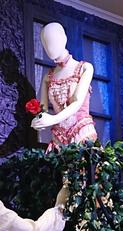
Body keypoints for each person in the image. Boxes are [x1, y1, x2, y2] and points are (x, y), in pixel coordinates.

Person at [31, 22, 97, 152]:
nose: (49, 46)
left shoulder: (85, 68)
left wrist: (53, 119)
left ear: (64, 38)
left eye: (52, 40)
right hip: (59, 138)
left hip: (82, 133)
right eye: (45, 43)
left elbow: (77, 102)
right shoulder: (47, 77)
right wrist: (38, 121)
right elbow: (43, 110)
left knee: (83, 164)